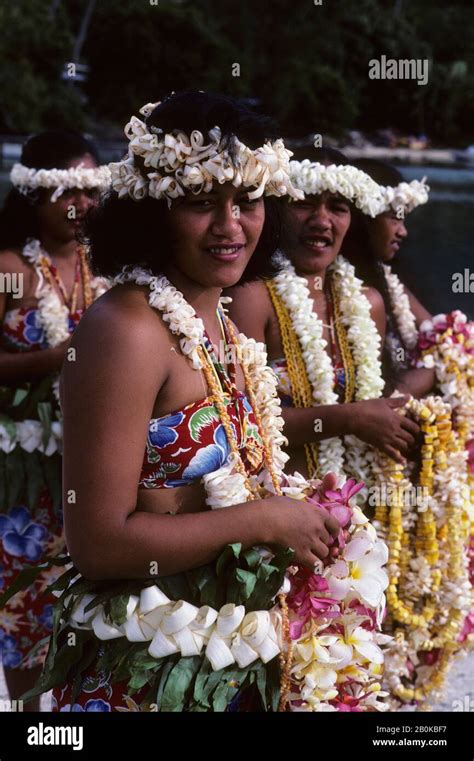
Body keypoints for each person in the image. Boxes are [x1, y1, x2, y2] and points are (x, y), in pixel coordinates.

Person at [228, 149, 420, 484]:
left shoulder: (369, 302)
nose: (321, 220)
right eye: (304, 203)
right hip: (275, 502)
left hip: (354, 502)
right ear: (275, 210)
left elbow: (374, 404)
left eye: (337, 207)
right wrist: (349, 418)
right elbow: (240, 422)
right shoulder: (251, 297)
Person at [0, 131, 110, 710]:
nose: (79, 205)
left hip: (93, 468)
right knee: (23, 606)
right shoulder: (11, 270)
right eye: (64, 190)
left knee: (84, 607)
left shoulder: (111, 270)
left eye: (89, 191)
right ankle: (24, 718)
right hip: (22, 476)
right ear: (33, 195)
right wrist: (56, 359)